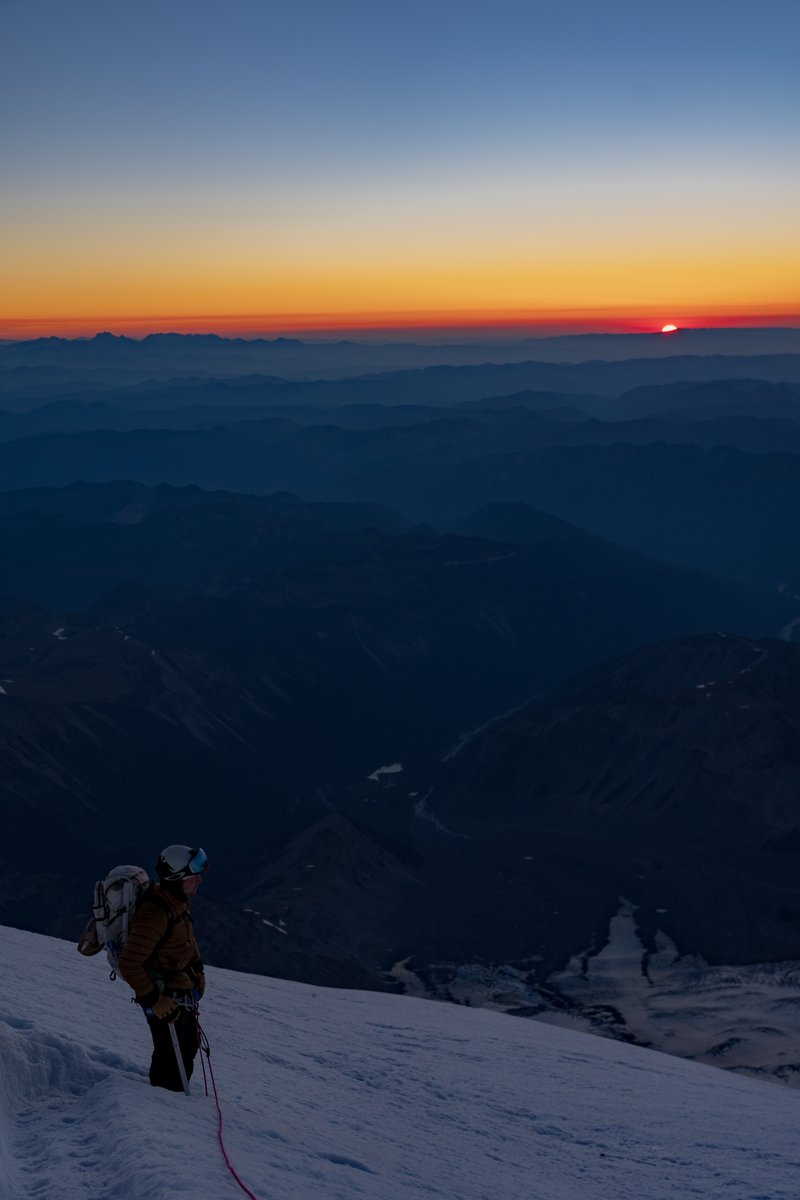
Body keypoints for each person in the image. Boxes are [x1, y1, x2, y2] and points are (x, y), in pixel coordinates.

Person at [119, 844, 208, 1091]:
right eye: (195, 873)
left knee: (186, 1049)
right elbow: (129, 962)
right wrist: (154, 1000)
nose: (200, 878)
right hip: (165, 1001)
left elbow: (186, 940)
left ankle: (170, 1104)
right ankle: (162, 1110)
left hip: (181, 997)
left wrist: (198, 971)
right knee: (170, 1063)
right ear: (177, 878)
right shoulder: (155, 913)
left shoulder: (177, 901)